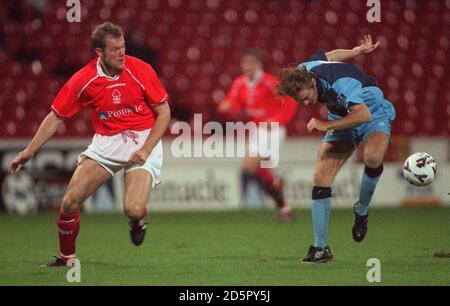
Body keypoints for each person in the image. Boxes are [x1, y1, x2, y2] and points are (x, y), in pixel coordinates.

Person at [7, 22, 171, 267]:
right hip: (107, 142)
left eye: (123, 47)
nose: (122, 53)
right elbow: (56, 116)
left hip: (142, 139)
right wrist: (29, 151)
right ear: (99, 53)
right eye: (115, 49)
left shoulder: (141, 70)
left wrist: (146, 149)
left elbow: (164, 113)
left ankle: (137, 222)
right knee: (69, 202)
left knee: (133, 209)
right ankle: (67, 259)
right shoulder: (83, 79)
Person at [277, 35, 392, 263]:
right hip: (341, 115)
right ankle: (321, 249)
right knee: (321, 176)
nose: (307, 104)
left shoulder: (340, 84)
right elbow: (329, 56)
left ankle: (361, 210)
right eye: (302, 102)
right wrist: (356, 51)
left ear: (312, 84)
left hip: (372, 112)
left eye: (307, 98)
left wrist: (325, 125)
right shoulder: (304, 69)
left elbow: (363, 114)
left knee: (372, 158)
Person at [217, 49, 299, 222]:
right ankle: (283, 205)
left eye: (251, 62)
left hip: (272, 130)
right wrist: (226, 107)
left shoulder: (270, 82)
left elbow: (289, 102)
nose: (247, 66)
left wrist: (277, 120)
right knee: (253, 168)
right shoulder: (240, 83)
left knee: (250, 163)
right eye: (244, 62)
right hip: (256, 130)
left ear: (259, 64)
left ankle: (280, 194)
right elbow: (233, 102)